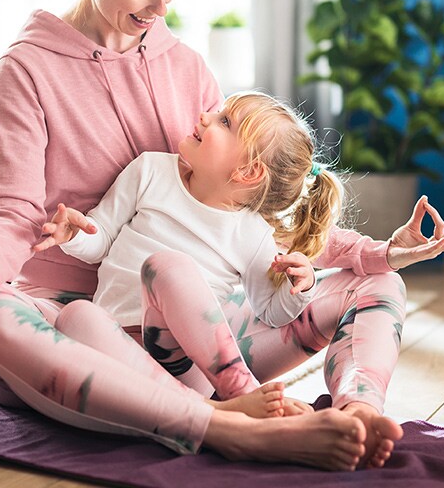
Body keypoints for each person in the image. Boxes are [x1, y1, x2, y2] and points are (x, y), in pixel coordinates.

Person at [0, 0, 444, 471]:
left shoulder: (188, 69)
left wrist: (378, 251)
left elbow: (244, 214)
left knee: (376, 285)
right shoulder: (28, 67)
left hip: (199, 333)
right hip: (72, 331)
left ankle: (354, 413)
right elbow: (13, 209)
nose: (160, 8)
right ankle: (225, 428)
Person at [30, 92, 387, 418]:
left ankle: (239, 392)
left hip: (187, 363)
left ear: (248, 172)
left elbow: (271, 312)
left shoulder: (253, 234)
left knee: (166, 267)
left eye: (225, 122)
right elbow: (101, 240)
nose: (205, 116)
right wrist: (75, 235)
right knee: (76, 316)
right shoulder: (150, 170)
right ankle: (211, 410)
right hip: (117, 345)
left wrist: (302, 286)